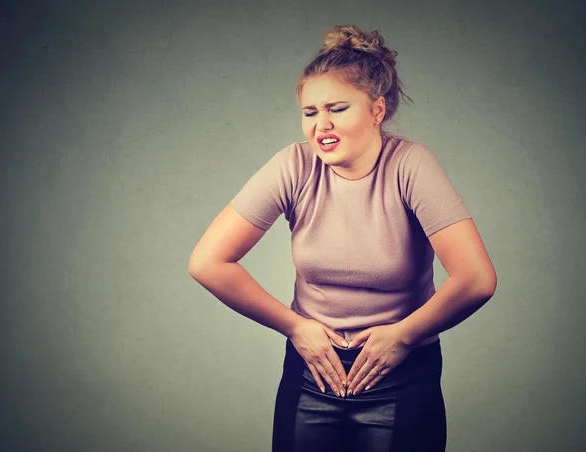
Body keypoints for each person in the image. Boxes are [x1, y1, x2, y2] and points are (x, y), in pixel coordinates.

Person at [188, 24, 497, 452]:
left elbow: (476, 279)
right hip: (312, 373)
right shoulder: (293, 166)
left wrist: (404, 335)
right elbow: (207, 262)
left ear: (377, 110)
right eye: (310, 112)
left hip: (400, 375)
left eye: (337, 108)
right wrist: (294, 326)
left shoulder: (410, 165)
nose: (321, 125)